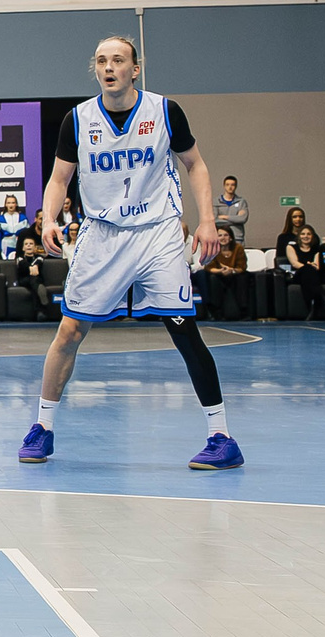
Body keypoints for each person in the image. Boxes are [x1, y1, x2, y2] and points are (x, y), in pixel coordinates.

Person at [21, 36, 239, 469]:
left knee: (183, 329)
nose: (109, 67)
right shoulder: (78, 119)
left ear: (134, 69)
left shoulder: (164, 111)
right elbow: (60, 179)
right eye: (101, 61)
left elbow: (195, 164)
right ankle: (42, 428)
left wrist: (209, 220)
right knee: (69, 332)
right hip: (103, 234)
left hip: (157, 232)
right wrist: (47, 218)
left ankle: (222, 437)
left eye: (118, 60)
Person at [214, 175, 249, 245]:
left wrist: (224, 217)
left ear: (236, 186)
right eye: (227, 185)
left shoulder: (241, 202)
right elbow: (215, 220)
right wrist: (235, 219)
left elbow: (242, 219)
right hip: (220, 238)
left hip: (237, 238)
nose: (230, 187)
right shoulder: (216, 201)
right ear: (224, 186)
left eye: (232, 185)